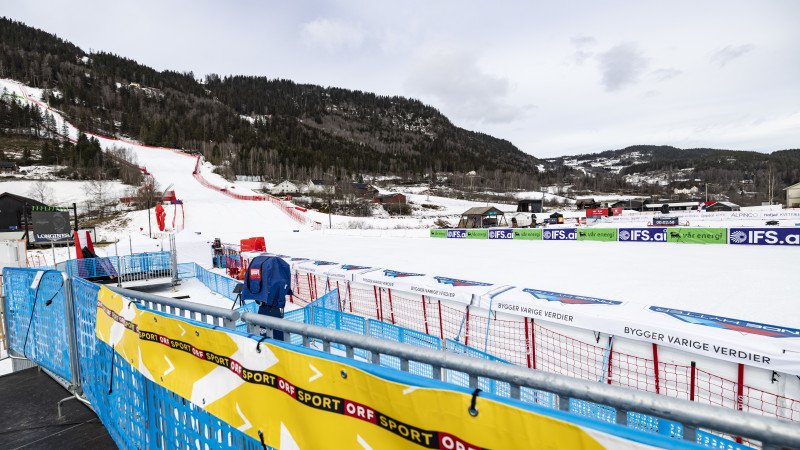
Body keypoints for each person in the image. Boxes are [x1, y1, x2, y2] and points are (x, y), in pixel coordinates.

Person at [242, 256, 292, 341]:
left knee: (265, 334)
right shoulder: (276, 268)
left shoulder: (265, 266)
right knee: (277, 337)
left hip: (265, 309)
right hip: (272, 311)